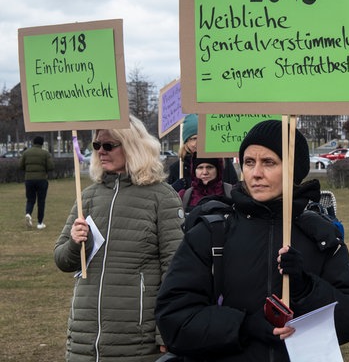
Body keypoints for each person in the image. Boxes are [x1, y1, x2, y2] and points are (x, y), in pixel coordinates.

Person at [156, 119, 349, 361]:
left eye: (269, 162)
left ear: (293, 169)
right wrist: (243, 326)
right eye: (249, 162)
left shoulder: (319, 237)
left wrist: (307, 289)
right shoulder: (212, 233)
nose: (256, 173)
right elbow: (174, 318)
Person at [54, 115, 185, 362]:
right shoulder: (88, 197)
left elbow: (175, 270)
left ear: (132, 146)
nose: (100, 151)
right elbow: (62, 260)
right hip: (85, 340)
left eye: (108, 145)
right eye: (96, 145)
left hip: (136, 341)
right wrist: (74, 242)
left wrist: (165, 331)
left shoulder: (162, 198)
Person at [167, 114, 239, 190]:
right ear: (186, 142)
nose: (199, 142)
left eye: (202, 137)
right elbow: (168, 199)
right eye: (194, 138)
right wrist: (173, 190)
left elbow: (234, 189)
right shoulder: (177, 168)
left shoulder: (224, 163)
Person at [18, 135, 54, 230]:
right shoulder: (45, 154)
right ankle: (40, 223)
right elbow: (50, 166)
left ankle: (28, 213)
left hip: (29, 179)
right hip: (42, 180)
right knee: (41, 201)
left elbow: (20, 166)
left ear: (33, 142)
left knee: (30, 199)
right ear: (42, 143)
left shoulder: (26, 153)